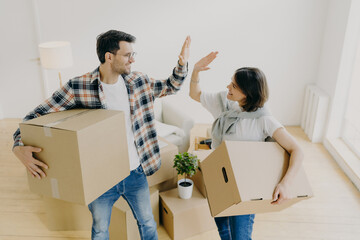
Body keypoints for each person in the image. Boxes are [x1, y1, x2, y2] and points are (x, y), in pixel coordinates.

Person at [12, 30, 191, 240]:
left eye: (133, 54)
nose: (132, 59)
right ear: (109, 56)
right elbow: (35, 115)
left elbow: (171, 86)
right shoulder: (79, 86)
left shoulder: (138, 81)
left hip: (136, 172)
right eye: (127, 55)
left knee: (147, 223)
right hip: (100, 179)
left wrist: (182, 64)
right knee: (99, 230)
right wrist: (17, 145)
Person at [189, 52, 304, 240]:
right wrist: (196, 71)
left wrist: (286, 183)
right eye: (231, 82)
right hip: (218, 179)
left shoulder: (264, 119)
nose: (228, 86)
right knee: (223, 230)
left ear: (247, 93)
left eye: (234, 85)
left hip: (245, 186)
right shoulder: (225, 103)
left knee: (240, 237)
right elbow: (195, 94)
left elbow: (297, 150)